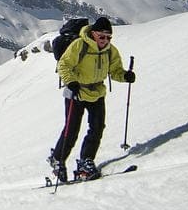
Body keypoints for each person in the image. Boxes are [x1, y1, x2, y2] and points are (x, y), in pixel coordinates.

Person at [48, 17, 136, 182]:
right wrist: (71, 81)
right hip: (76, 91)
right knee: (71, 129)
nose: (105, 40)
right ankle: (58, 159)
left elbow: (115, 70)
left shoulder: (110, 51)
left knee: (97, 127)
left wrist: (125, 76)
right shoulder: (79, 45)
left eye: (108, 37)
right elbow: (64, 65)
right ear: (93, 33)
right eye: (101, 36)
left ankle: (86, 161)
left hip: (97, 92)